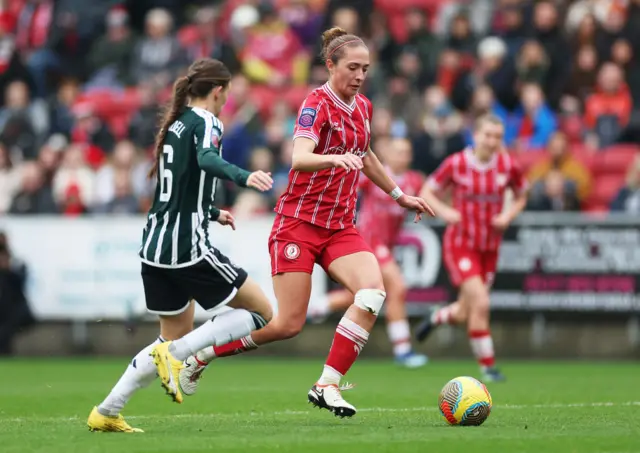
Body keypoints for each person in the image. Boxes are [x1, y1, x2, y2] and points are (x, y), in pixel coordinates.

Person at [178, 27, 434, 418]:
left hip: (339, 227)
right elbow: (299, 157)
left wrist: (400, 196)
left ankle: (327, 385)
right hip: (297, 223)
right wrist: (335, 158)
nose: (361, 75)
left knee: (372, 293)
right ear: (330, 65)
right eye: (353, 67)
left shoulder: (363, 107)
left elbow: (366, 156)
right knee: (286, 325)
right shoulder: (315, 103)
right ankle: (203, 354)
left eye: (365, 68)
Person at [87, 58, 275, 433]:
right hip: (186, 248)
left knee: (168, 337)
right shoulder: (207, 121)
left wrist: (211, 211)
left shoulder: (175, 123)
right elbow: (207, 159)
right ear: (218, 91)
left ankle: (107, 410)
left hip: (155, 247)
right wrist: (244, 175)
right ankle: (177, 357)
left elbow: (178, 186)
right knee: (261, 312)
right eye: (227, 92)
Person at [415, 114, 528, 382]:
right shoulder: (456, 164)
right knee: (481, 301)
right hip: (461, 243)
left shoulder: (508, 166)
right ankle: (489, 368)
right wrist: (445, 212)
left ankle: (438, 316)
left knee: (467, 311)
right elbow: (426, 190)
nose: (492, 141)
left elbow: (522, 195)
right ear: (475, 135)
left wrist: (507, 217)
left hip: (490, 247)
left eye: (498, 137)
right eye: (487, 135)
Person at [308, 138, 428, 368]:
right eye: (399, 151)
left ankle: (317, 306)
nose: (404, 156)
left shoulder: (413, 180)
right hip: (368, 241)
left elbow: (430, 196)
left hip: (388, 244)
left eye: (407, 152)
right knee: (397, 287)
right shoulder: (374, 177)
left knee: (361, 294)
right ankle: (403, 350)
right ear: (388, 155)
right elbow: (345, 186)